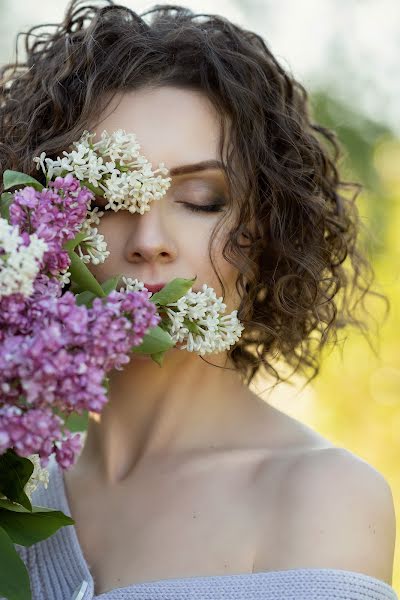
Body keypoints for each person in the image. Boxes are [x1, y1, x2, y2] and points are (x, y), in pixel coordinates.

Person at [0, 1, 397, 599]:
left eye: (201, 199)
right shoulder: (19, 474)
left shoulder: (321, 498)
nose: (150, 242)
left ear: (265, 230)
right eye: (107, 202)